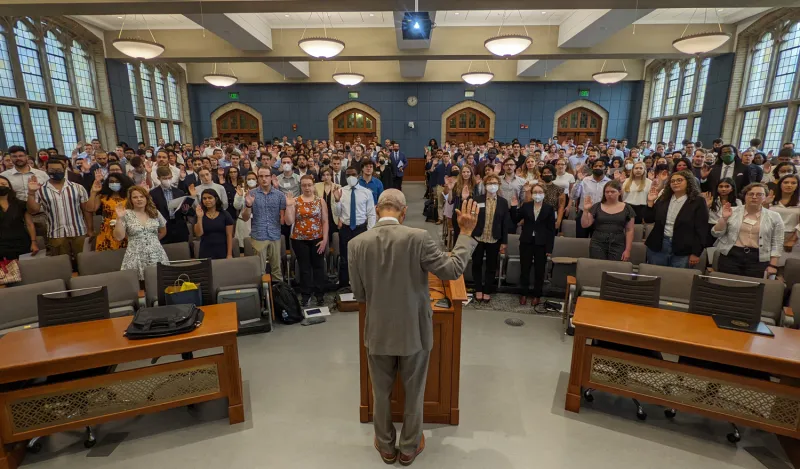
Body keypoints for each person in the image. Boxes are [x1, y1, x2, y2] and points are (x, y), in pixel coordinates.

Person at [349, 190, 478, 466]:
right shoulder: (419, 238)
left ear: (377, 209)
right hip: (414, 331)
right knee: (414, 391)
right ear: (404, 212)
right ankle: (408, 449)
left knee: (380, 392)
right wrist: (465, 234)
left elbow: (359, 294)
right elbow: (453, 269)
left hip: (378, 331)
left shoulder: (356, 243)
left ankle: (385, 446)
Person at [712, 182, 783, 278]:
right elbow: (715, 233)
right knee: (727, 286)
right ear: (745, 196)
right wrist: (724, 218)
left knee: (751, 289)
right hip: (731, 255)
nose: (754, 197)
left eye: (759, 194)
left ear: (765, 197)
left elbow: (777, 242)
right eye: (750, 194)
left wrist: (773, 265)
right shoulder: (732, 211)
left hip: (758, 258)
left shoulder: (774, 216)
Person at [27, 157, 90, 260]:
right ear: (46, 171)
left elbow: (86, 210)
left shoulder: (78, 187)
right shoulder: (41, 190)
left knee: (83, 260)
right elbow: (33, 210)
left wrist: (90, 229)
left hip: (78, 230)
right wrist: (31, 193)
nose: (56, 172)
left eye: (59, 170)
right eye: (52, 171)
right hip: (56, 233)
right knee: (62, 263)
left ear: (64, 169)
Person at [643, 170, 708, 268]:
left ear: (688, 182)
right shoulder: (663, 198)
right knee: (655, 276)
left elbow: (701, 229)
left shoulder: (698, 201)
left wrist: (696, 253)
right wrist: (650, 202)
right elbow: (649, 219)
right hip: (659, 246)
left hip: (683, 248)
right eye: (672, 181)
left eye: (679, 180)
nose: (675, 183)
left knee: (676, 279)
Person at [285, 175, 329, 306]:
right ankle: (305, 295)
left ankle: (319, 294)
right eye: (304, 185)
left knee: (318, 267)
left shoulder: (320, 201)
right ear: (301, 186)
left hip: (317, 239)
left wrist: (325, 240)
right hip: (299, 239)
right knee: (304, 268)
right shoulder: (295, 201)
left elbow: (325, 221)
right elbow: (289, 222)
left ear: (313, 185)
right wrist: (288, 207)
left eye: (309, 185)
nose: (307, 188)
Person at [470, 173, 513, 304]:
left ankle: (487, 290)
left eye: (494, 183)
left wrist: (504, 242)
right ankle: (478, 288)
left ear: (499, 185)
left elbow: (505, 223)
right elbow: (471, 219)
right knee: (476, 263)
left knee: (491, 266)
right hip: (478, 237)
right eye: (489, 183)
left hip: (494, 239)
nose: (492, 186)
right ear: (485, 185)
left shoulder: (503, 202)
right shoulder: (477, 200)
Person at [333, 166, 376, 289]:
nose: (350, 177)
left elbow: (371, 213)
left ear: (358, 175)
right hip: (346, 228)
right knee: (345, 257)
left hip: (361, 229)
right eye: (347, 175)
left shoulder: (366, 192)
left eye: (353, 174)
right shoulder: (341, 191)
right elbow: (337, 213)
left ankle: (362, 283)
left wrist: (370, 231)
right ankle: (344, 283)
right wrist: (337, 201)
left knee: (361, 258)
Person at [514, 182, 556, 306]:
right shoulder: (526, 206)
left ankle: (537, 295)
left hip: (541, 243)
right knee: (524, 268)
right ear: (531, 194)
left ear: (544, 194)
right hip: (526, 241)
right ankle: (523, 293)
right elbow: (515, 219)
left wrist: (549, 248)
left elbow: (551, 230)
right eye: (535, 192)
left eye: (540, 192)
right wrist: (514, 206)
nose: (538, 194)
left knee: (539, 270)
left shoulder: (549, 208)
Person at [114, 186, 169, 280]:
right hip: (135, 257)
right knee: (139, 286)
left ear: (146, 198)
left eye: (142, 196)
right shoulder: (125, 214)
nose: (139, 199)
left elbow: (163, 231)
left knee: (160, 283)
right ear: (130, 200)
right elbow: (119, 237)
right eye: (135, 197)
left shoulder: (155, 212)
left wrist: (151, 241)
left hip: (156, 254)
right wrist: (119, 218)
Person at [241, 166, 286, 281]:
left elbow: (283, 220)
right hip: (259, 235)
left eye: (266, 176)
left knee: (277, 269)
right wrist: (248, 205)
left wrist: (288, 207)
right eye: (261, 176)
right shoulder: (251, 194)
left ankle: (278, 296)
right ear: (257, 178)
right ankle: (263, 296)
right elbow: (245, 218)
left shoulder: (279, 195)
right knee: (260, 271)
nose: (264, 179)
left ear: (271, 177)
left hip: (275, 234)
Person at [581, 180, 636, 261]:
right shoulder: (597, 206)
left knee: (614, 269)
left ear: (619, 192)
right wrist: (585, 210)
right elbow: (585, 224)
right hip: (598, 243)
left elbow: (629, 230)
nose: (609, 194)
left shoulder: (627, 208)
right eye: (607, 192)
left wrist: (628, 250)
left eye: (613, 191)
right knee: (597, 268)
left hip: (618, 243)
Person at [86, 170, 134, 251]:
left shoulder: (130, 197)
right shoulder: (103, 196)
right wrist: (93, 192)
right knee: (108, 257)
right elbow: (90, 209)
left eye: (117, 181)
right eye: (111, 181)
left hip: (126, 229)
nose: (114, 183)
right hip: (107, 231)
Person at [0, 175, 37, 260]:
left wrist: (34, 242)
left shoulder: (20, 204)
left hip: (21, 243)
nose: (1, 186)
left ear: (9, 187)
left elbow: (29, 224)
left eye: (3, 184)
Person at [766, 174, 800, 266]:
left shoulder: (798, 202)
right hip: (769, 236)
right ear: (780, 184)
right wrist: (765, 203)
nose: (789, 185)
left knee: (786, 267)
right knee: (768, 266)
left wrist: (792, 240)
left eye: (793, 183)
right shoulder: (771, 200)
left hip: (791, 238)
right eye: (786, 182)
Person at [572, 159, 611, 238]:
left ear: (606, 168)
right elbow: (574, 196)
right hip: (584, 214)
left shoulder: (609, 182)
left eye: (600, 166)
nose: (597, 168)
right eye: (595, 166)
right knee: (581, 241)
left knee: (598, 242)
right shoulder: (584, 180)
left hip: (601, 216)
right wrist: (579, 181)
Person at [194, 189, 234, 259]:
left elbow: (229, 235)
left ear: (216, 199)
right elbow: (198, 234)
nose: (207, 200)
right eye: (204, 198)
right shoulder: (199, 214)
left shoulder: (225, 214)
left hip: (223, 250)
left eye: (210, 198)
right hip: (206, 251)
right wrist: (199, 218)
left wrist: (229, 254)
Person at [704, 177, 741, 247]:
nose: (723, 189)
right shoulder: (711, 200)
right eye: (721, 186)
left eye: (727, 186)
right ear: (717, 188)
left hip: (729, 230)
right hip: (712, 229)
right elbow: (703, 218)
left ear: (732, 188)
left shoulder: (737, 202)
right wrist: (706, 206)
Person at [538, 164, 566, 230]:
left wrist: (558, 221)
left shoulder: (559, 189)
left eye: (549, 172)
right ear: (541, 175)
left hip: (552, 217)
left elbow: (561, 206)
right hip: (537, 216)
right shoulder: (537, 188)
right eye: (544, 173)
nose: (547, 174)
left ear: (553, 174)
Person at [315, 167, 339, 239]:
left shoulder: (338, 187)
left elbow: (340, 204)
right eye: (324, 175)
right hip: (321, 215)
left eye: (328, 175)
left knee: (333, 237)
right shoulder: (316, 186)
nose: (326, 177)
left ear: (331, 176)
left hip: (333, 216)